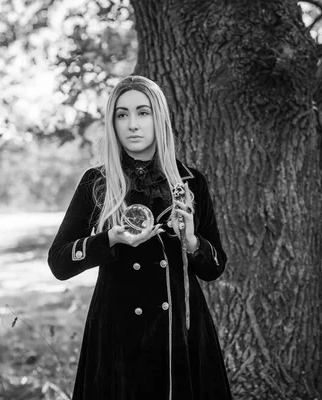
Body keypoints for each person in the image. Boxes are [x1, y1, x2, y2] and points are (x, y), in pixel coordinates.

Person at [47, 75, 231, 400]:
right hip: (118, 331)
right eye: (122, 114)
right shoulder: (97, 182)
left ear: (158, 117)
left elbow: (214, 267)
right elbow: (59, 261)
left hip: (180, 332)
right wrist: (110, 241)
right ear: (113, 122)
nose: (132, 124)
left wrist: (191, 242)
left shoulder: (190, 181)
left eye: (142, 112)